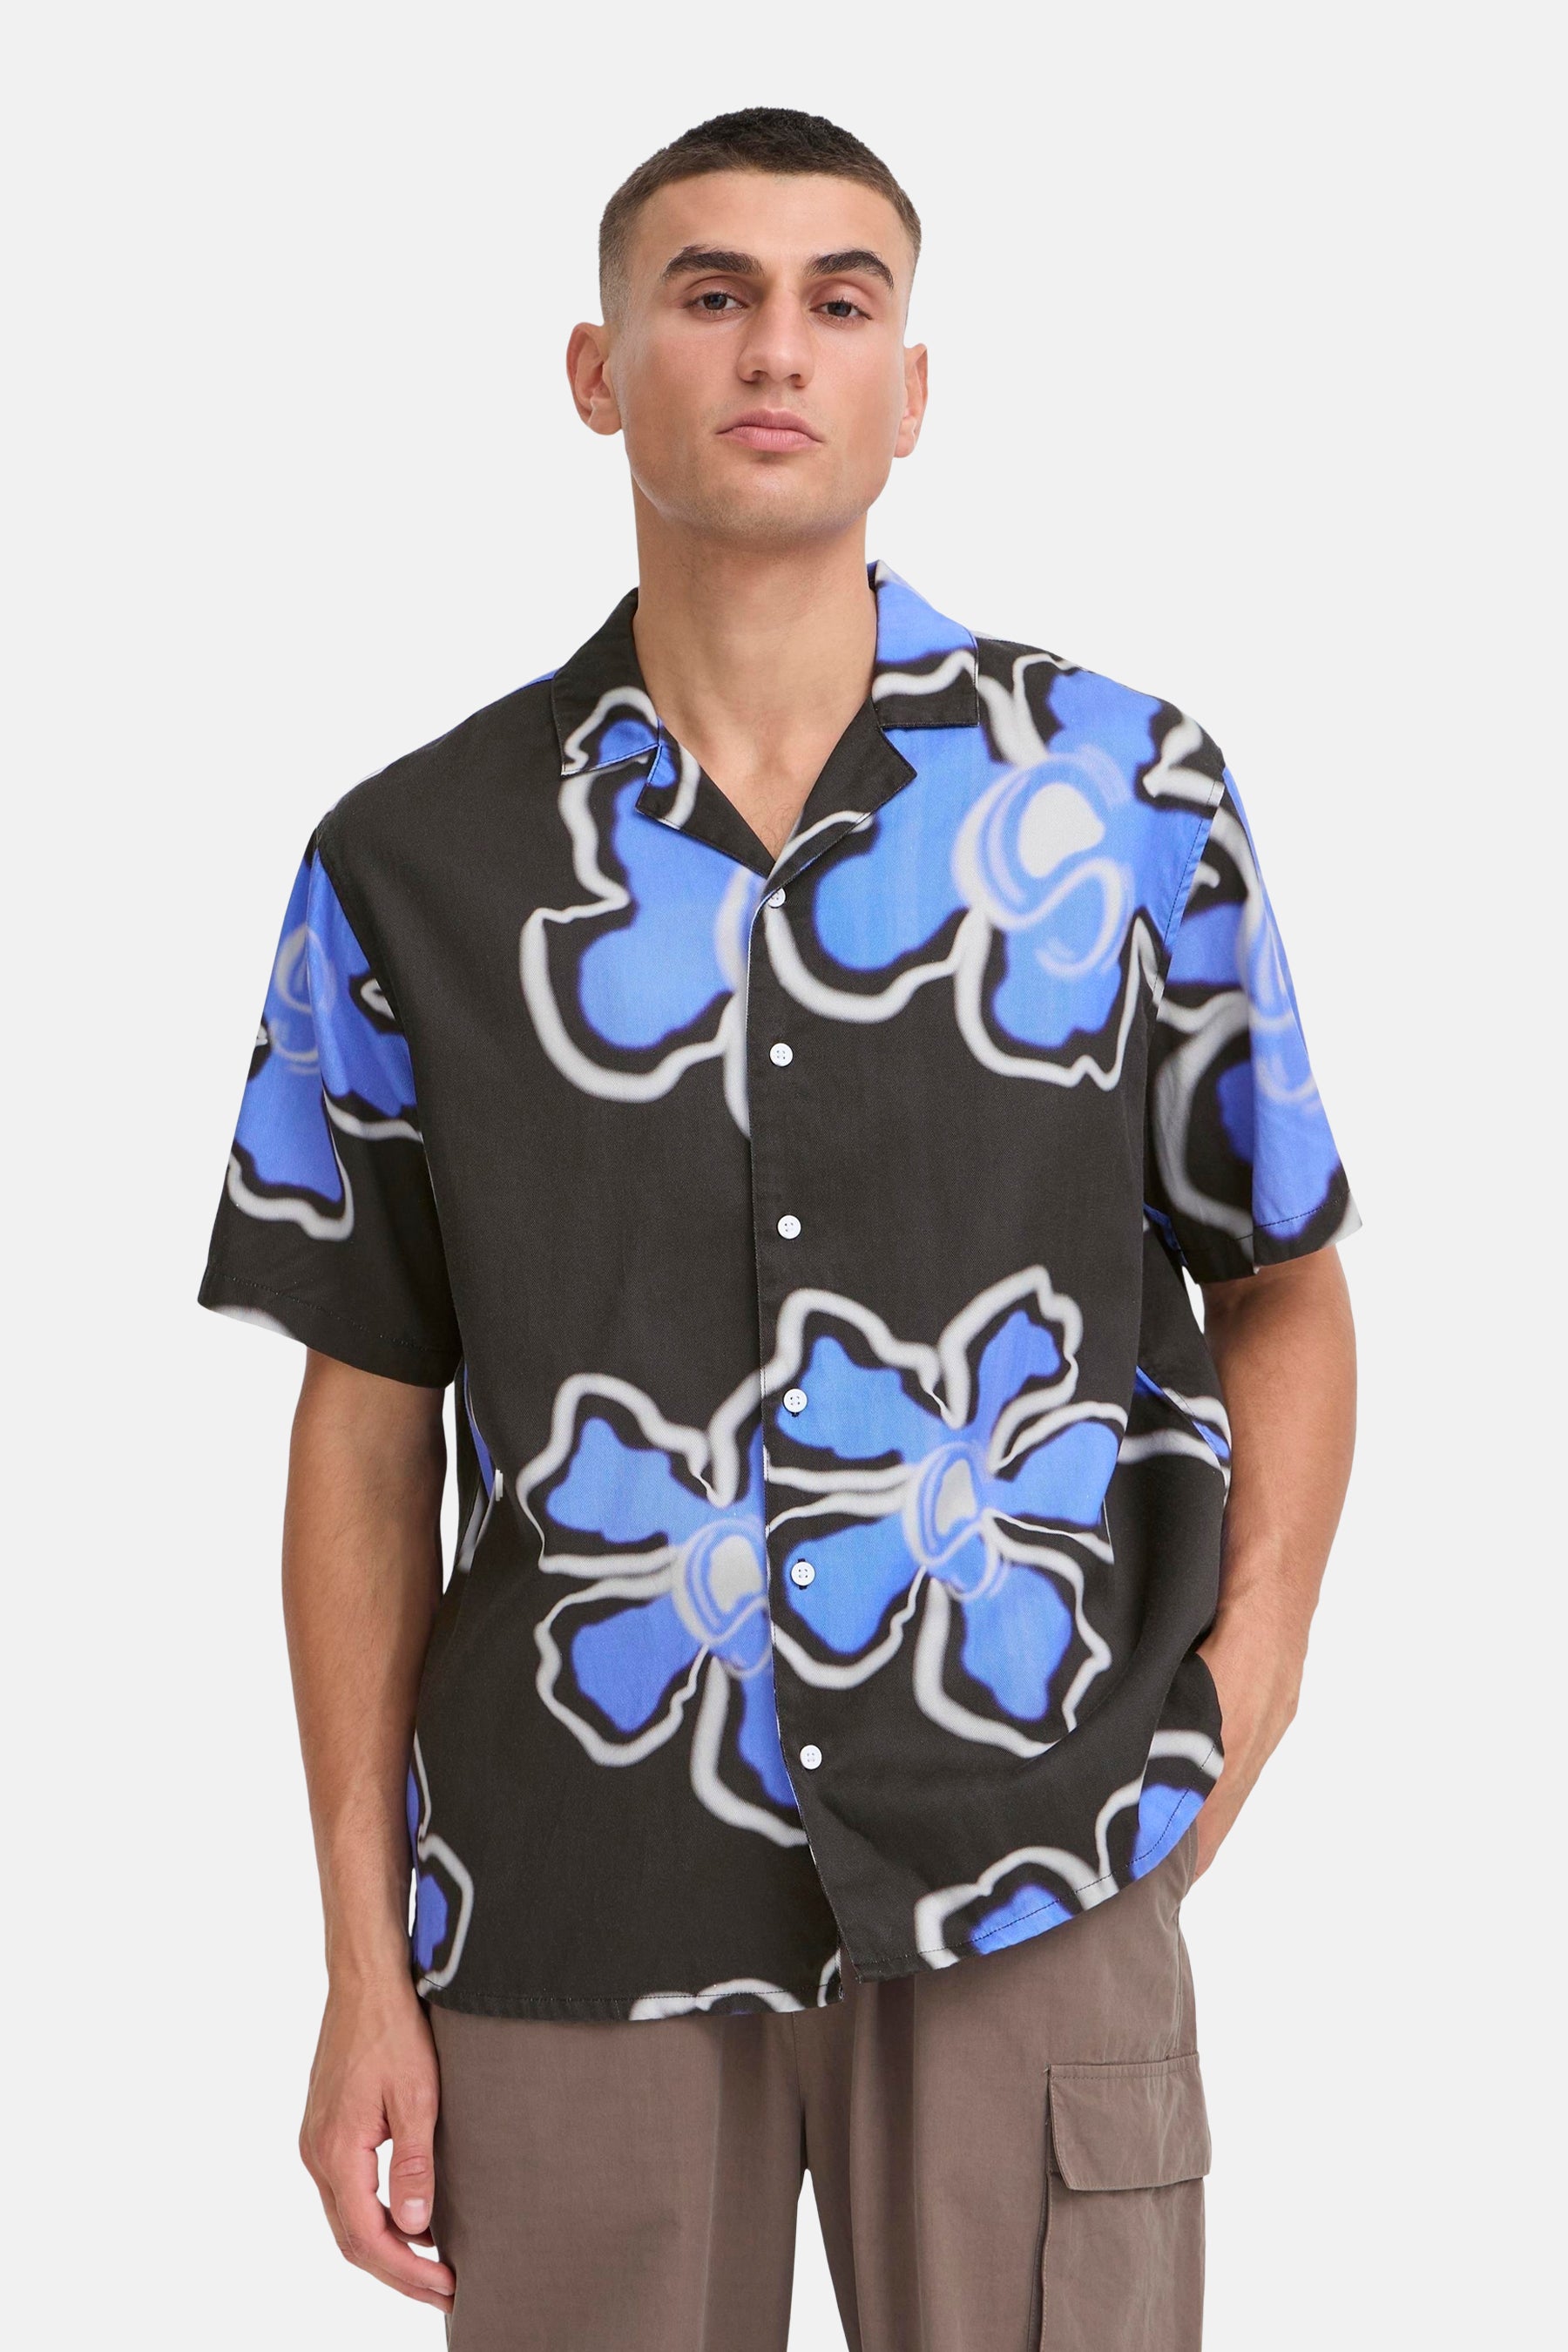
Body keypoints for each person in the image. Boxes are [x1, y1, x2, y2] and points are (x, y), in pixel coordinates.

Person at [199, 105, 1357, 2352]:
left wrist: (1253, 1683)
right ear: (596, 368)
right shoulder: (413, 866)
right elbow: (366, 1413)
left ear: (911, 388)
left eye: (841, 301)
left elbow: (1285, 1279)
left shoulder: (1124, 802)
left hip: (1037, 1847)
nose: (775, 349)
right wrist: (360, 1958)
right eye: (710, 292)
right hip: (568, 1889)